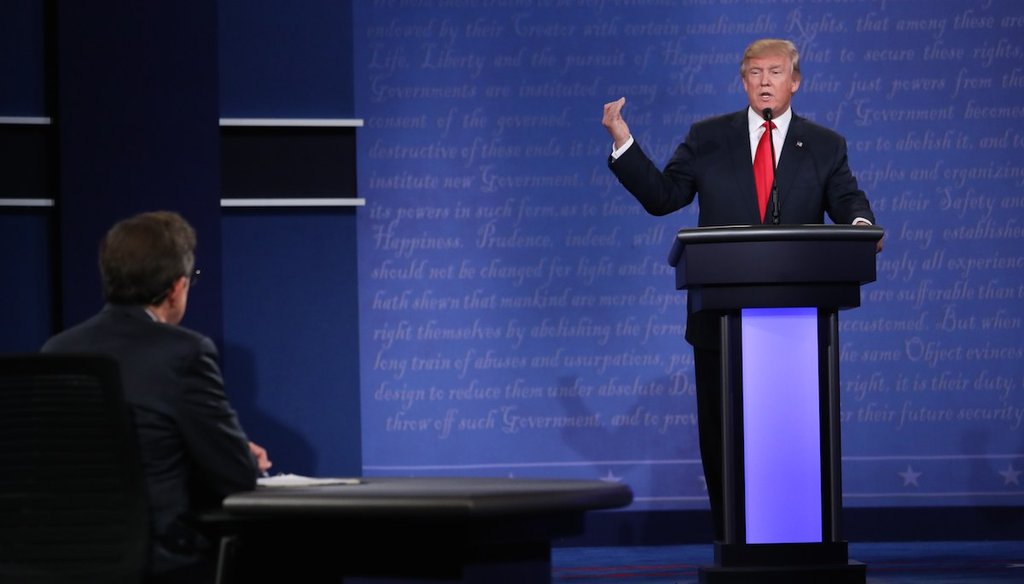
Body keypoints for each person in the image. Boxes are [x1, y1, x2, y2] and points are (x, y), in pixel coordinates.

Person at [602, 38, 879, 541]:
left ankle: (801, 542)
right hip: (721, 322)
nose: (765, 81)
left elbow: (846, 198)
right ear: (743, 81)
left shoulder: (824, 144)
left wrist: (861, 223)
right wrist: (623, 141)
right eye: (755, 73)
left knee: (794, 439)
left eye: (776, 72)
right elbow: (665, 197)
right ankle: (734, 541)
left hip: (797, 325)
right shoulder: (708, 138)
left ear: (795, 81)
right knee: (725, 437)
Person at [42, 210, 271, 583]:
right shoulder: (185, 352)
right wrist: (238, 454)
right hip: (161, 560)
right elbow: (237, 477)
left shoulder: (57, 350)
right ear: (176, 287)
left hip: (66, 558)